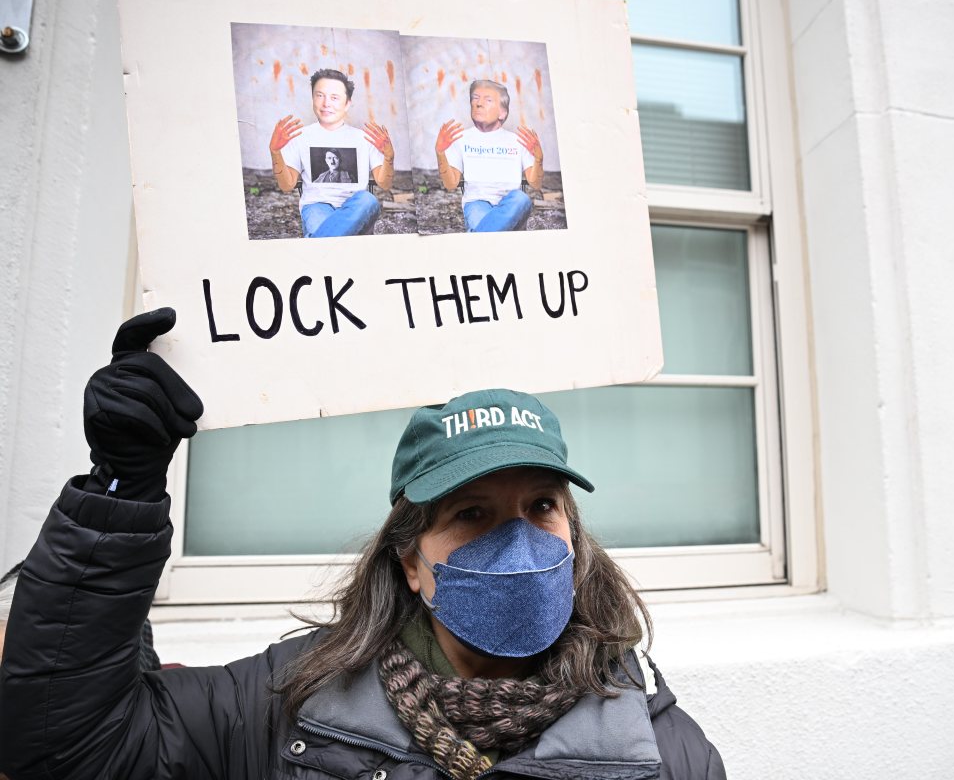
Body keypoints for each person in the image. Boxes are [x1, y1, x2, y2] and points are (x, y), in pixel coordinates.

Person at [0, 308, 726, 780]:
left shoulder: (667, 753)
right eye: (472, 515)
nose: (518, 542)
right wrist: (120, 492)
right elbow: (69, 749)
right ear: (411, 562)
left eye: (542, 506)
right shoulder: (284, 706)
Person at [270, 68, 394, 238]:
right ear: (312, 98)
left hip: (356, 207)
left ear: (347, 103)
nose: (326, 103)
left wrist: (389, 157)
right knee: (323, 225)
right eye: (319, 95)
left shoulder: (364, 138)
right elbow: (286, 186)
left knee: (368, 200)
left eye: (334, 97)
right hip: (317, 206)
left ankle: (319, 243)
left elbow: (385, 184)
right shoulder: (300, 137)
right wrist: (275, 151)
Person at [435, 79, 543, 233]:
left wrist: (539, 159)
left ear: (503, 112)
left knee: (522, 199)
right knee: (487, 224)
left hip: (512, 204)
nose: (478, 103)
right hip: (477, 204)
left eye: (488, 100)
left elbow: (536, 184)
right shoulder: (460, 138)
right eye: (475, 98)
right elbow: (451, 184)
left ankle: (479, 237)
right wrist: (440, 153)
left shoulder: (518, 141)